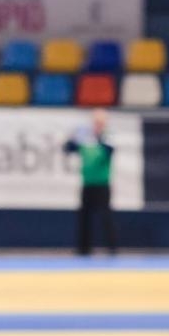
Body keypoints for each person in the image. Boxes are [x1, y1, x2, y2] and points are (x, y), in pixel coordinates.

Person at [64, 109, 116, 257]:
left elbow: (110, 151)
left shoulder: (108, 138)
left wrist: (98, 137)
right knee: (84, 216)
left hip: (102, 184)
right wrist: (73, 138)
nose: (97, 125)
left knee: (106, 216)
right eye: (95, 122)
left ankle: (112, 248)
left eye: (100, 122)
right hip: (87, 184)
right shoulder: (85, 140)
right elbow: (68, 149)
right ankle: (84, 249)